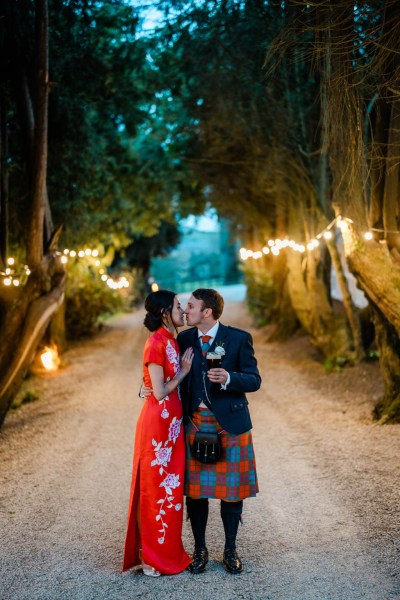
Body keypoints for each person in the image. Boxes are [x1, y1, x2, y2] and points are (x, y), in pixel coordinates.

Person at [178, 288, 261, 575]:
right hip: (195, 423)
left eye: (190, 306)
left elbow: (254, 379)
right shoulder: (184, 339)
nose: (186, 311)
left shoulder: (238, 339)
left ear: (207, 312)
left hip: (230, 425)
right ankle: (199, 549)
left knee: (231, 491)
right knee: (196, 493)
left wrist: (229, 378)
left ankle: (230, 549)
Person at [122, 290, 194, 577]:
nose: (182, 311)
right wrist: (184, 372)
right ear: (165, 312)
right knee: (154, 491)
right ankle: (152, 558)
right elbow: (160, 391)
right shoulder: (156, 343)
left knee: (171, 491)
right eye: (178, 306)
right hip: (157, 428)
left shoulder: (171, 340)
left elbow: (150, 386)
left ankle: (166, 552)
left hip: (172, 428)